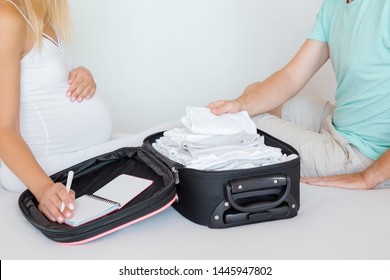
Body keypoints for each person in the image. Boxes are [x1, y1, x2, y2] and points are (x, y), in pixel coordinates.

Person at [0, 0, 178, 224]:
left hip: (74, 152)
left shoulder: (43, 18)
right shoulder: (6, 15)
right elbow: (3, 128)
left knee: (168, 139)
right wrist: (43, 188)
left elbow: (40, 85)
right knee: (171, 135)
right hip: (42, 167)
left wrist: (79, 75)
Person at [208, 0, 390, 190]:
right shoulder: (334, 5)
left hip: (364, 156)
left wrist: (367, 177)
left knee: (247, 123)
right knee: (252, 96)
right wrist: (238, 104)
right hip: (342, 123)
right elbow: (292, 76)